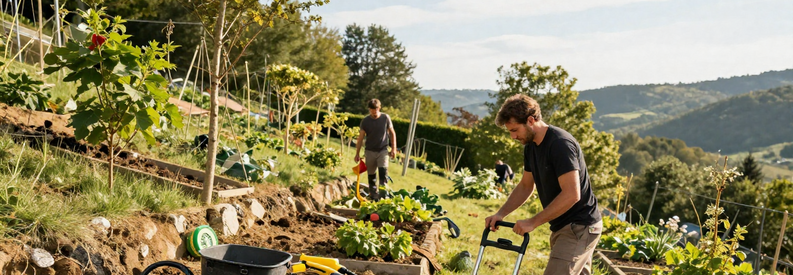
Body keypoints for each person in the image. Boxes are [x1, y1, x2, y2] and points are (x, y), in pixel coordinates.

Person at [484, 94, 602, 275]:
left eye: (515, 130)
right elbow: (525, 186)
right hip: (563, 226)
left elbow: (572, 194)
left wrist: (533, 222)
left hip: (579, 226)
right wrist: (500, 213)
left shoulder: (560, 144)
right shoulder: (531, 147)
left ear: (531, 120)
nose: (513, 136)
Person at [354, 99, 397, 201]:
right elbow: (360, 138)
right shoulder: (365, 121)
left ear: (379, 108)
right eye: (372, 109)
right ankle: (374, 197)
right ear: (369, 109)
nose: (374, 111)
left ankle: (383, 197)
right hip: (370, 151)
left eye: (376, 109)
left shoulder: (385, 118)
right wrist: (357, 153)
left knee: (383, 174)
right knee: (371, 176)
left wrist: (394, 149)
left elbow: (392, 133)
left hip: (383, 150)